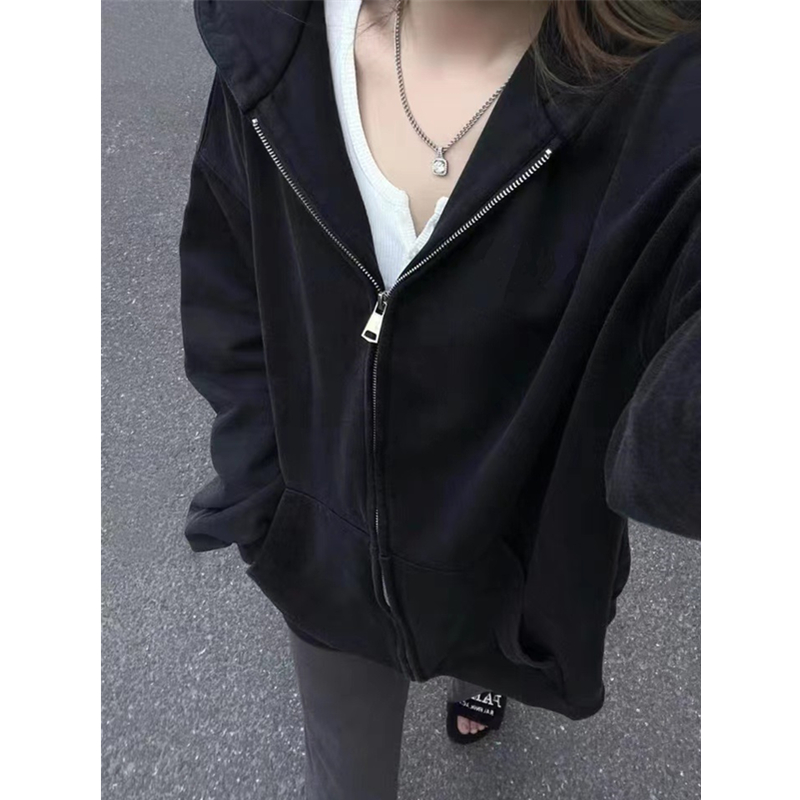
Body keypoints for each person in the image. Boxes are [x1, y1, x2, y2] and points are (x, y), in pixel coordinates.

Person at [179, 1, 700, 797]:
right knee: (345, 780)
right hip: (324, 558)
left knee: (482, 650)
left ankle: (478, 675)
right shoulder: (274, 33)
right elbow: (229, 285)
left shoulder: (679, 109)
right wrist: (266, 498)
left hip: (499, 572)